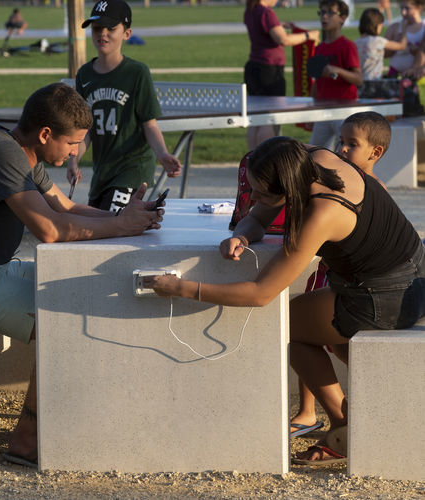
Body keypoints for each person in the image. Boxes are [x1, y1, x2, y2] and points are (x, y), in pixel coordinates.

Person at [145, 135, 425, 465]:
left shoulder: (322, 212)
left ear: (288, 185)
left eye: (263, 192)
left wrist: (182, 289)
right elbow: (260, 214)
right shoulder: (308, 159)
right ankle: (367, 413)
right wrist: (243, 232)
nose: (256, 199)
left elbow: (261, 294)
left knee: (284, 326)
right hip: (407, 273)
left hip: (388, 294)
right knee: (310, 324)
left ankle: (345, 426)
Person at [0, 83, 163, 467]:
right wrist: (123, 227)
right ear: (46, 134)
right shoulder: (0, 153)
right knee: (64, 317)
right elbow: (50, 229)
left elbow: (65, 205)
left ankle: (50, 427)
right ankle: (27, 438)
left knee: (79, 292)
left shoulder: (20, 150)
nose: (75, 153)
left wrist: (129, 218)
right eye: (72, 144)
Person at [291, 111, 392, 438]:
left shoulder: (374, 188)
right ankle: (308, 411)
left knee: (338, 344)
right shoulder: (334, 176)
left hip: (352, 281)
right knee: (311, 337)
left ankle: (348, 414)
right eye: (341, 141)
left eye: (352, 144)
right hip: (328, 271)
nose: (342, 149)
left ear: (375, 153)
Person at [66, 0, 182, 213]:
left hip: (132, 169)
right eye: (97, 28)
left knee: (113, 224)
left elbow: (149, 124)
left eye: (111, 28)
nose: (103, 33)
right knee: (97, 225)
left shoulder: (137, 73)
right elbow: (85, 131)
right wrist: (73, 159)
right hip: (103, 173)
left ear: (127, 33)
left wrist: (162, 154)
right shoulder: (84, 75)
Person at [243, 0, 319, 150]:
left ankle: (252, 159)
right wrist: (308, 35)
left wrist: (279, 25)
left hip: (254, 68)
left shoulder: (251, 10)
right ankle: (267, 158)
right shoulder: (267, 13)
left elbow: (264, 29)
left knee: (255, 119)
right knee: (270, 117)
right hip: (269, 70)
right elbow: (283, 39)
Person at [309, 0, 362, 150]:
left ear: (343, 18)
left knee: (345, 156)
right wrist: (311, 110)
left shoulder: (347, 46)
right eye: (322, 12)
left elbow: (358, 79)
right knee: (314, 155)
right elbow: (316, 82)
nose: (324, 17)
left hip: (344, 111)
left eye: (330, 12)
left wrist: (338, 70)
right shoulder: (319, 48)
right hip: (323, 111)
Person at [356, 8, 407, 80]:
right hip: (374, 81)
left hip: (360, 81)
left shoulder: (355, 43)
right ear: (376, 25)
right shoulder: (378, 41)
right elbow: (402, 46)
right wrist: (404, 30)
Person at [385, 0, 425, 76]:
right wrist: (396, 45)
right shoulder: (395, 27)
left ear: (419, 8)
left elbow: (422, 51)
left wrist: (417, 51)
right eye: (401, 8)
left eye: (407, 8)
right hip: (395, 74)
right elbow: (382, 54)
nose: (403, 12)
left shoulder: (424, 27)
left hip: (418, 75)